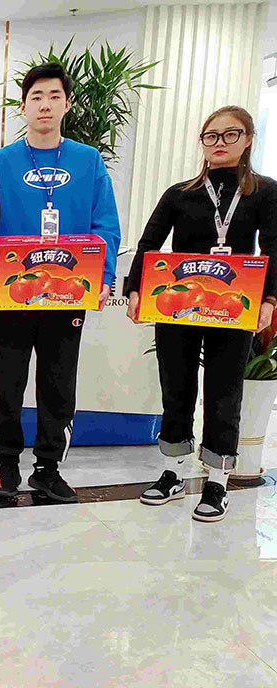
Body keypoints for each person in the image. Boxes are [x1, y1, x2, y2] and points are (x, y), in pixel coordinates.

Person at [0, 62, 121, 503]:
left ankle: (48, 468)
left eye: (54, 96)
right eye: (36, 97)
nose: (45, 105)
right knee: (9, 385)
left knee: (58, 384)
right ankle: (7, 467)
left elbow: (105, 225)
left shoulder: (88, 161)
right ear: (23, 107)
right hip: (13, 296)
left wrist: (103, 276)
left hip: (68, 296)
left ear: (67, 104)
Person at [126, 105, 277, 522]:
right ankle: (173, 472)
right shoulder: (180, 193)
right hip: (179, 303)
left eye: (230, 134)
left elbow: (274, 247)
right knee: (176, 387)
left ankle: (218, 481)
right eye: (211, 136)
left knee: (224, 391)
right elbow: (150, 242)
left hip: (233, 305)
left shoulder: (264, 191)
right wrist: (136, 289)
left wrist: (269, 300)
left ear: (248, 139)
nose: (219, 143)